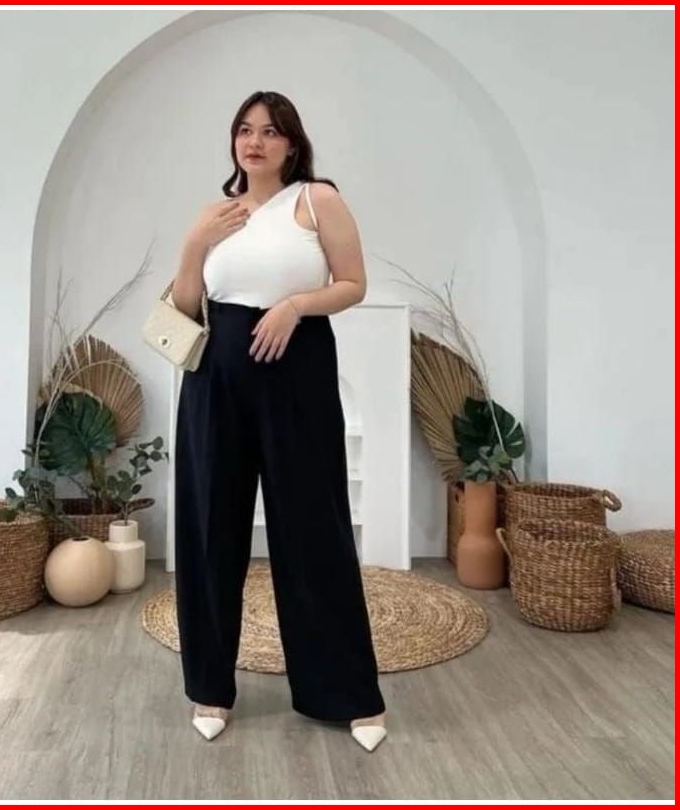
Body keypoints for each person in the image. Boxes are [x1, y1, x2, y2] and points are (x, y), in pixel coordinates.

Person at [170, 90, 387, 752]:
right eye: (244, 130)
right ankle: (210, 688)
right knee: (211, 527)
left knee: (314, 528)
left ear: (292, 143)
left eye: (269, 131)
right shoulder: (216, 214)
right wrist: (193, 244)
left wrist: (295, 306)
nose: (255, 141)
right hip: (214, 376)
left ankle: (346, 694)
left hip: (297, 371)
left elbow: (353, 283)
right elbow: (186, 306)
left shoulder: (317, 200)